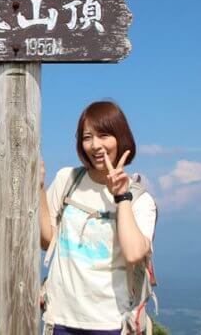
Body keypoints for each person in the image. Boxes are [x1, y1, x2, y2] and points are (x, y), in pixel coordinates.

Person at [39, 101, 157, 335]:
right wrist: (39, 187)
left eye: (104, 135)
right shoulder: (68, 180)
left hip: (111, 323)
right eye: (87, 137)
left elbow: (134, 253)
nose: (95, 145)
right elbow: (46, 242)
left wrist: (122, 196)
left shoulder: (141, 200)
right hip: (61, 318)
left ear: (120, 137)